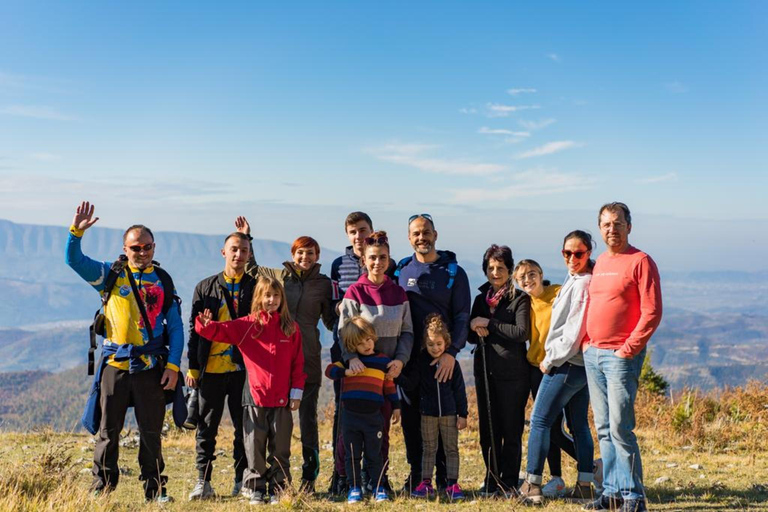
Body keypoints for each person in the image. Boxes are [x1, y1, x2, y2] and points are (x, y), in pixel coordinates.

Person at [65, 201, 182, 503]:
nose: (141, 253)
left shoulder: (163, 281)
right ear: (125, 248)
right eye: (135, 248)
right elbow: (73, 260)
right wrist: (76, 231)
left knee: (152, 432)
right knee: (108, 430)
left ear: (154, 247)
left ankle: (155, 490)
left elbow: (177, 329)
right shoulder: (109, 275)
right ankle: (101, 489)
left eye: (146, 247)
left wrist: (173, 366)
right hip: (115, 365)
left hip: (150, 366)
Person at [235, 217, 336, 493]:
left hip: (310, 359)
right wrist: (248, 238)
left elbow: (330, 321)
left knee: (308, 420)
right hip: (276, 364)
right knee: (276, 426)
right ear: (293, 255)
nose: (305, 256)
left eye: (310, 252)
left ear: (318, 256)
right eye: (300, 252)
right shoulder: (280, 278)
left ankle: (309, 477)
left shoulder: (324, 285)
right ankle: (266, 479)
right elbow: (253, 270)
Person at [194, 277, 305, 506]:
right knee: (254, 446)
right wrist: (205, 325)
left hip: (283, 398)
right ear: (258, 298)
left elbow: (298, 363)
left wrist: (297, 391)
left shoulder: (291, 328)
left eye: (276, 296)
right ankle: (256, 488)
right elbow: (221, 332)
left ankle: (279, 488)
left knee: (281, 447)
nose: (271, 300)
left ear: (282, 299)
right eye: (267, 296)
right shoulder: (247, 325)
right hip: (255, 397)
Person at [583, 202, 662, 512]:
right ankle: (612, 492)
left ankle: (633, 496)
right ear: (600, 229)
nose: (611, 229)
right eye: (605, 224)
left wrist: (628, 349)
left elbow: (652, 311)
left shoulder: (640, 261)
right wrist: (588, 343)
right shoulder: (600, 261)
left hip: (620, 357)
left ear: (629, 226)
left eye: (617, 223)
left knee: (619, 428)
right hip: (594, 355)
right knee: (603, 427)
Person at [518, 230, 597, 505]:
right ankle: (585, 484)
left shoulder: (582, 284)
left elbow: (573, 333)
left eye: (579, 253)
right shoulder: (576, 279)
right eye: (567, 253)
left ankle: (533, 485)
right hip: (581, 367)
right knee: (578, 425)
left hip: (565, 365)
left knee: (540, 421)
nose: (572, 258)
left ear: (589, 251)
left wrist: (550, 360)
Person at [394, 213, 471, 492]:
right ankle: (418, 477)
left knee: (442, 420)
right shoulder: (401, 270)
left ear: (435, 235)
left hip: (441, 360)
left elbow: (462, 315)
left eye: (426, 232)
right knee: (413, 423)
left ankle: (445, 480)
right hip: (409, 361)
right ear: (409, 238)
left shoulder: (453, 273)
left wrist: (451, 352)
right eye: (416, 233)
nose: (421, 237)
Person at [337, 231, 413, 494]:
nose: (377, 262)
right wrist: (352, 358)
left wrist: (401, 361)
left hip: (388, 373)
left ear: (389, 259)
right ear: (363, 260)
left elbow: (407, 332)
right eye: (372, 258)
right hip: (358, 376)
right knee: (349, 434)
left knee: (380, 432)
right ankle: (348, 481)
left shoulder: (399, 294)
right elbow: (343, 332)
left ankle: (380, 480)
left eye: (382, 257)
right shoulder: (354, 292)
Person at [328, 211, 395, 495]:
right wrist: (348, 352)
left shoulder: (382, 261)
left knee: (378, 419)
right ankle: (342, 475)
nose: (359, 236)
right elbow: (332, 311)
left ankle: (377, 476)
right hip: (348, 353)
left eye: (363, 230)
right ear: (347, 234)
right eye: (354, 231)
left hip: (379, 357)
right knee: (345, 420)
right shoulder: (338, 264)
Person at [185, 231, 256, 500]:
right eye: (234, 249)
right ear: (223, 252)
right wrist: (193, 367)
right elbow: (194, 331)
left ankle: (242, 480)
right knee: (206, 428)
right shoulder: (205, 287)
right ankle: (203, 482)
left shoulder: (254, 286)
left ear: (250, 255)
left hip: (243, 370)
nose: (239, 255)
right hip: (210, 370)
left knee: (244, 428)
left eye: (244, 250)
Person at [467, 244, 530, 497]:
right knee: (488, 431)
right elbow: (470, 336)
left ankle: (509, 482)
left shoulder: (520, 298)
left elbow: (521, 332)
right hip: (485, 372)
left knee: (511, 431)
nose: (495, 272)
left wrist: (489, 324)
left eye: (500, 268)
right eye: (491, 268)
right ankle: (491, 479)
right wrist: (474, 325)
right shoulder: (480, 299)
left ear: (510, 270)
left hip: (513, 375)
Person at [514, 258, 577, 497]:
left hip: (559, 366)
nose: (528, 279)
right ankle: (557, 478)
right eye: (522, 277)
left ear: (540, 274)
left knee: (553, 427)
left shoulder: (557, 293)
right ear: (518, 283)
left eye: (532, 274)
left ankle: (589, 466)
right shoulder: (524, 303)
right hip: (534, 368)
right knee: (546, 427)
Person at [325, 316, 402, 503]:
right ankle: (354, 488)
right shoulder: (350, 362)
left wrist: (396, 407)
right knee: (352, 455)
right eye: (360, 343)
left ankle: (378, 487)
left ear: (373, 337)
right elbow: (329, 371)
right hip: (350, 417)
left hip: (374, 417)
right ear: (352, 346)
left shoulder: (383, 361)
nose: (366, 345)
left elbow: (389, 386)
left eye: (368, 339)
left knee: (374, 454)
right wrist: (346, 371)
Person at [411, 314, 468, 501]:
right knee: (429, 448)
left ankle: (452, 483)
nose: (435, 348)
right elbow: (412, 384)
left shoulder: (454, 365)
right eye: (430, 344)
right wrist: (394, 376)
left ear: (446, 343)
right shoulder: (421, 363)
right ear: (424, 344)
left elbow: (459, 391)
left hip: (450, 414)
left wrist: (463, 414)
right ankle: (425, 483)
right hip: (427, 414)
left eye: (438, 344)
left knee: (451, 448)